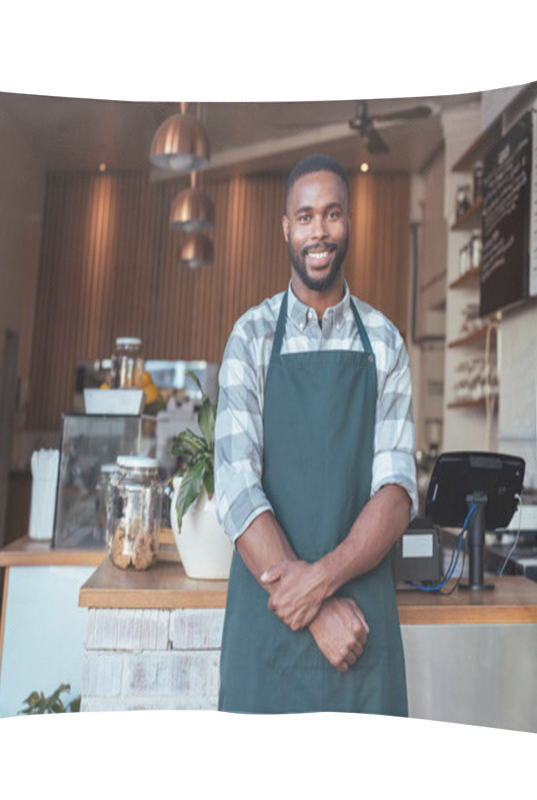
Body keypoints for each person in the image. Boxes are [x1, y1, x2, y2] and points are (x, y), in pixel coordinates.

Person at [214, 153, 418, 715]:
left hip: (360, 636)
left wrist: (318, 583)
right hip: (270, 636)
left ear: (348, 222)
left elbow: (395, 493)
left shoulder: (384, 343)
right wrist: (317, 609)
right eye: (305, 217)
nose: (318, 231)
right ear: (286, 228)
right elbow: (234, 488)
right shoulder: (251, 337)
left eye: (331, 215)